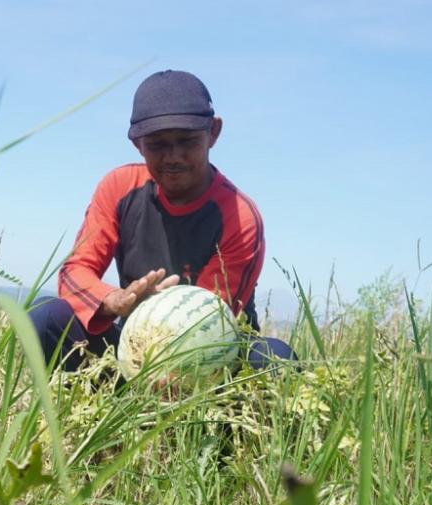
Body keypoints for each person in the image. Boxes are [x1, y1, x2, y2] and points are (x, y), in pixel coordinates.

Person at [30, 69, 295, 373]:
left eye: (187, 141)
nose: (174, 156)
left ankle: (204, 421)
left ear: (213, 133)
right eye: (157, 144)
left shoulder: (239, 215)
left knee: (276, 359)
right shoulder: (119, 187)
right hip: (136, 351)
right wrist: (113, 300)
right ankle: (82, 414)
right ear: (137, 144)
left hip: (213, 365)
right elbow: (74, 272)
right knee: (46, 318)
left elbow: (211, 324)